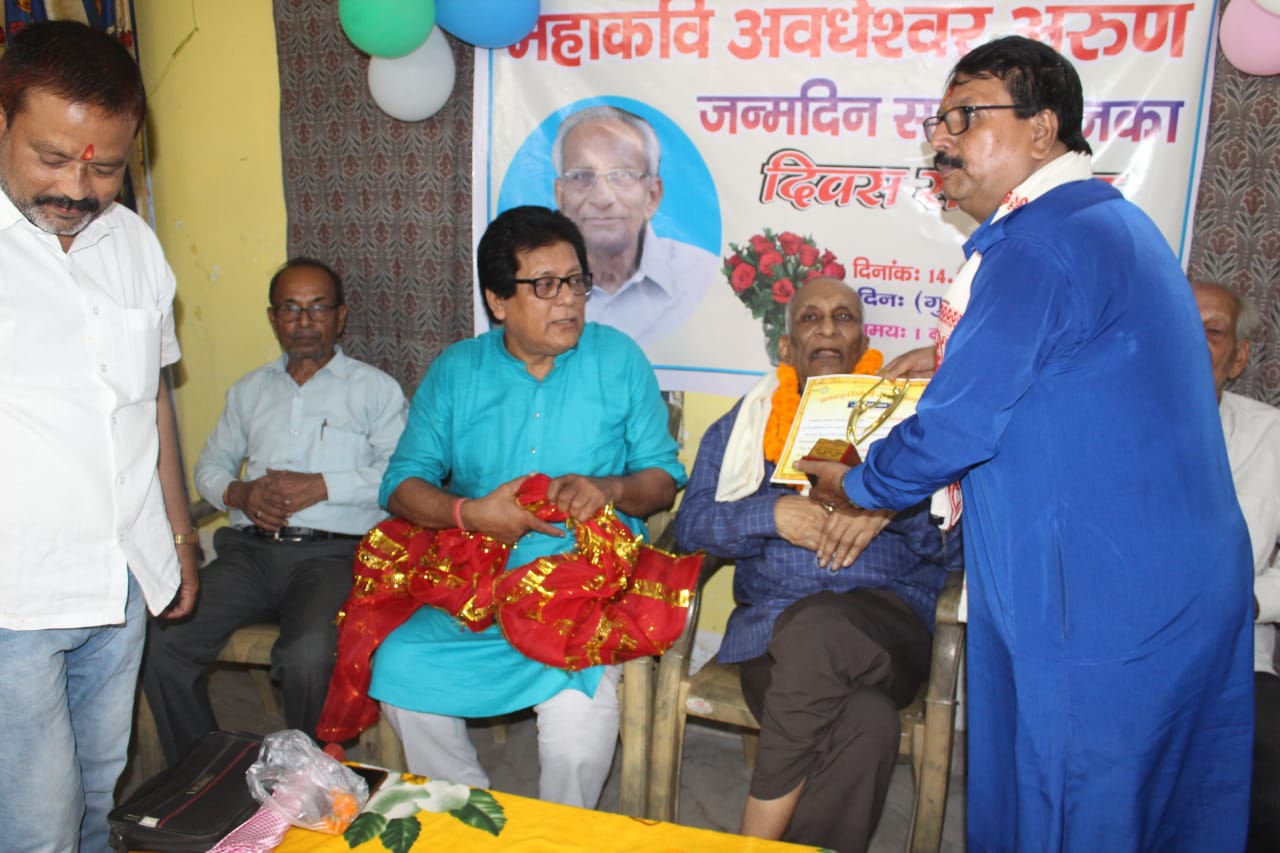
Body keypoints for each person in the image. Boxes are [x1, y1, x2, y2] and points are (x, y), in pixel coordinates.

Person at [798, 36, 1254, 851]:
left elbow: (958, 428)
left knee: (1075, 809)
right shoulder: (1103, 220)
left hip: (1100, 603)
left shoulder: (1038, 245)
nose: (943, 140)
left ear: (1043, 130)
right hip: (1156, 584)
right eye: (939, 122)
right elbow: (1063, 375)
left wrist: (857, 485)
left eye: (966, 117)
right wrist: (950, 363)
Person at [367, 205, 685, 808]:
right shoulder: (457, 371)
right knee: (400, 669)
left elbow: (663, 479)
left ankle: (558, 838)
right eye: (544, 285)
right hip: (477, 579)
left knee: (576, 732)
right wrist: (471, 514)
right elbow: (401, 484)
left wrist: (611, 490)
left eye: (575, 281)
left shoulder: (618, 360)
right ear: (497, 301)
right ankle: (470, 814)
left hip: (585, 586)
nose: (567, 300)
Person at [0, 20, 201, 851]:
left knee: (96, 794)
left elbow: (150, 399)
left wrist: (179, 535)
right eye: (52, 157)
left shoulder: (135, 246)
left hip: (122, 576)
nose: (77, 188)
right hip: (16, 593)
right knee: (35, 822)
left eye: (106, 166)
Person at [673, 277, 961, 852]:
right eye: (810, 318)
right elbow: (691, 526)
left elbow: (957, 550)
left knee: (819, 628)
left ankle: (748, 843)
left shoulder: (915, 431)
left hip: (890, 627)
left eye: (843, 317)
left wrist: (890, 506)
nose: (828, 328)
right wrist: (771, 514)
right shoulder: (745, 425)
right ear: (786, 347)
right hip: (771, 635)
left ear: (864, 343)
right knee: (867, 724)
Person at [143, 258, 406, 764]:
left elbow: (400, 477)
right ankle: (203, 771)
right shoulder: (249, 391)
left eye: (318, 308)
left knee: (309, 653)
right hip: (250, 555)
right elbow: (210, 467)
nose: (304, 321)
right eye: (290, 309)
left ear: (340, 317)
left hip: (333, 557)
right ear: (273, 318)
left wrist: (321, 486)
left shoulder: (374, 390)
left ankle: (305, 776)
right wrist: (239, 494)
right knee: (164, 640)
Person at [1191, 280, 1280, 852]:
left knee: (1268, 778)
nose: (1190, 339)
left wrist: (1251, 600)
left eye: (1212, 331)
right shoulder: (1101, 429)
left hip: (1236, 658)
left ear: (1239, 358)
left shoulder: (1273, 436)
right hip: (1123, 658)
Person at [552, 105, 718, 344]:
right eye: (582, 176)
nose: (602, 198)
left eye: (622, 175)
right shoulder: (538, 285)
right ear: (561, 197)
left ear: (652, 196)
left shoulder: (701, 276)